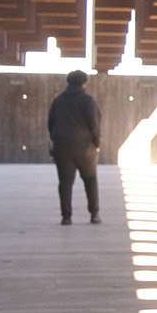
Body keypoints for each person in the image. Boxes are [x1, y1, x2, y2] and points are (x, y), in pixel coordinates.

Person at [47, 70, 101, 225]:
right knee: (90, 180)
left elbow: (51, 123)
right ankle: (94, 215)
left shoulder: (58, 101)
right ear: (84, 83)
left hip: (62, 147)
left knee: (65, 182)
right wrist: (97, 143)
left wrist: (56, 139)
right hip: (85, 148)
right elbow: (94, 124)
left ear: (68, 82)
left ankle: (66, 217)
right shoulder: (87, 100)